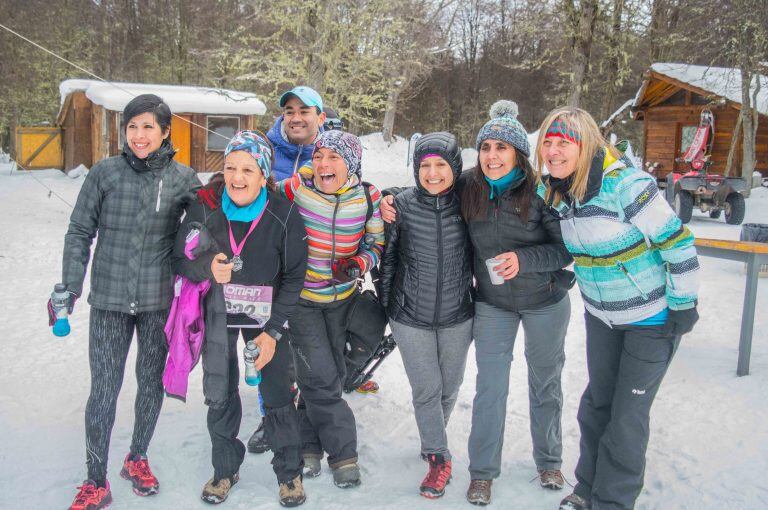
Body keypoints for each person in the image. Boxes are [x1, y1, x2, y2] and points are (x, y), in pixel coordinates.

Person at [380, 101, 574, 506]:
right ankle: (482, 473)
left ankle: (549, 459)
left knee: (545, 384)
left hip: (543, 300)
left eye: (501, 149)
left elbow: (564, 250)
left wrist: (525, 260)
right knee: (490, 388)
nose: (492, 156)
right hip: (493, 302)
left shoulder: (541, 191)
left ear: (518, 154)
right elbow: (427, 185)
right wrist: (385, 196)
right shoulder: (470, 186)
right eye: (486, 148)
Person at [534, 108, 700, 510]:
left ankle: (613, 501)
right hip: (603, 318)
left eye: (564, 143)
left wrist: (683, 304)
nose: (554, 152)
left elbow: (677, 243)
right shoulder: (556, 190)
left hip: (652, 319)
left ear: (586, 145)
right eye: (548, 143)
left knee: (626, 418)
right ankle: (588, 489)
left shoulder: (626, 186)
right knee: (596, 407)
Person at [55, 94, 201, 510]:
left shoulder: (183, 179)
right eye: (132, 127)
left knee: (151, 383)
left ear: (165, 131)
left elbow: (206, 228)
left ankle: (137, 457)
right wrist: (70, 283)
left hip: (157, 302)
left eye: (148, 127)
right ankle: (95, 479)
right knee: (103, 389)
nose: (139, 135)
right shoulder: (105, 174)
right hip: (109, 300)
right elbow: (79, 231)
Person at [171, 131, 309, 506]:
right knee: (220, 390)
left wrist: (273, 332)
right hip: (218, 314)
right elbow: (179, 258)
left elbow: (296, 277)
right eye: (231, 167)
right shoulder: (204, 211)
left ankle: (289, 473)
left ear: (264, 174)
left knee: (278, 392)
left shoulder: (285, 213)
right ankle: (224, 469)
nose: (237, 177)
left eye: (248, 169)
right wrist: (205, 266)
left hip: (265, 316)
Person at [278, 130, 385, 488]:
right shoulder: (296, 189)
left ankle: (309, 446)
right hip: (302, 300)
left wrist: (358, 264)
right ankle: (343, 454)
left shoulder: (367, 197)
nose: (323, 164)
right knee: (322, 376)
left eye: (333, 158)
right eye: (319, 155)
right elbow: (258, 199)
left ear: (350, 164)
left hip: (343, 300)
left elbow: (376, 244)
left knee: (329, 372)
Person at [378, 132, 474, 499]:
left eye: (441, 165)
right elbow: (387, 259)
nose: (432, 173)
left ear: (455, 168)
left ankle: (432, 434)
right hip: (409, 315)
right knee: (427, 389)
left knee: (450, 387)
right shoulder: (400, 205)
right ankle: (438, 456)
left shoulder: (469, 202)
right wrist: (390, 306)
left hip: (457, 314)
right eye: (424, 166)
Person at [267, 86, 326, 181]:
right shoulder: (264, 150)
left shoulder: (332, 157)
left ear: (321, 118)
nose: (296, 119)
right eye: (290, 112)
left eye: (304, 112)